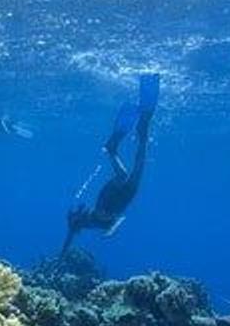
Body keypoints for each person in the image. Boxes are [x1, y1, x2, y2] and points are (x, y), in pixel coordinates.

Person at [61, 74, 159, 254]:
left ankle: (114, 146)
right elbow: (116, 222)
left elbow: (69, 238)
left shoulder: (86, 218)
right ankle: (143, 123)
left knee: (123, 175)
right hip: (127, 197)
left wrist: (62, 254)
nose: (75, 216)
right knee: (140, 158)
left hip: (108, 199)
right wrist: (110, 231)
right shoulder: (84, 224)